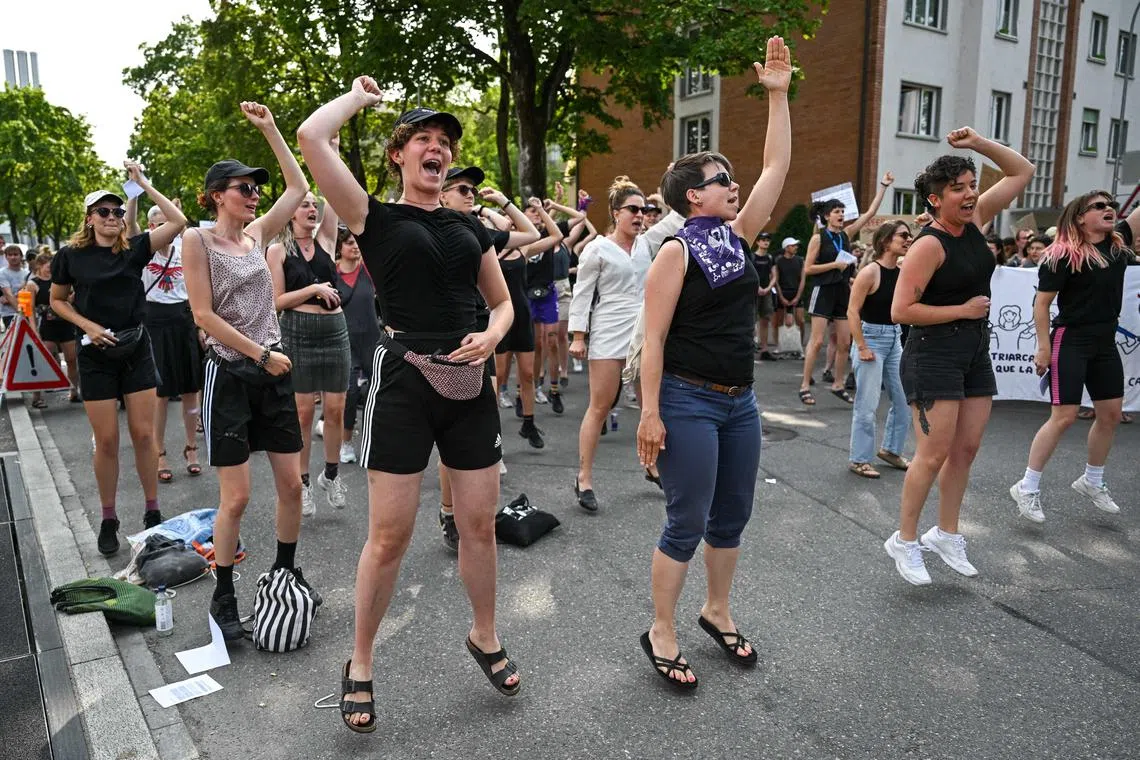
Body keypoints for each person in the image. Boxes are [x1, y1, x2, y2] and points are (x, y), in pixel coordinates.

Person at [298, 79, 520, 733]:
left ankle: (484, 633)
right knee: (390, 537)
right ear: (399, 154)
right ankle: (361, 664)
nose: (437, 149)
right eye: (423, 139)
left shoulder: (469, 225)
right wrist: (359, 100)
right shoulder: (374, 218)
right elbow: (312, 137)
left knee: (479, 526)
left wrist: (495, 333)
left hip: (470, 384)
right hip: (405, 382)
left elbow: (503, 302)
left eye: (444, 143)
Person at [635, 36, 791, 689]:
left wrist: (778, 96)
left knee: (732, 515)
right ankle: (661, 629)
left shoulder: (735, 238)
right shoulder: (675, 252)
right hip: (686, 399)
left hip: (739, 400)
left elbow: (776, 169)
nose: (734, 187)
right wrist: (648, 412)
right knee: (687, 517)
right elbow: (654, 338)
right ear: (693, 198)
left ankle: (716, 612)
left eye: (732, 179)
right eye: (721, 181)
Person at [182, 102, 316, 638]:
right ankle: (224, 591)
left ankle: (283, 572)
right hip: (232, 374)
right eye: (242, 187)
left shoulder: (258, 236)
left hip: (273, 373)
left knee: (291, 486)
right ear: (218, 195)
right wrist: (259, 353)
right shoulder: (198, 240)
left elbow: (298, 187)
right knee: (236, 496)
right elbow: (202, 315)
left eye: (254, 188)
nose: (253, 194)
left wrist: (271, 130)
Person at [884, 127, 1035, 586]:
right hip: (932, 353)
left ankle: (946, 533)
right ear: (935, 200)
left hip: (973, 350)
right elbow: (900, 310)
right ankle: (905, 540)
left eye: (972, 185)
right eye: (959, 189)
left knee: (965, 450)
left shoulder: (976, 221)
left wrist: (979, 145)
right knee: (931, 455)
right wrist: (963, 310)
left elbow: (1022, 170)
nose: (970, 195)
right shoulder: (929, 244)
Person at [50, 165, 187, 556]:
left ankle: (152, 513)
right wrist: (87, 327)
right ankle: (109, 516)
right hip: (96, 356)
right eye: (103, 212)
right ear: (89, 218)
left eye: (116, 212)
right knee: (107, 441)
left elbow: (178, 220)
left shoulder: (136, 248)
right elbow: (58, 300)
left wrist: (143, 184)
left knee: (145, 436)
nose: (112, 217)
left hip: (136, 349)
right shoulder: (70, 256)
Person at [1008, 192, 1137, 522]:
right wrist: (1043, 346)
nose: (1108, 209)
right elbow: (1041, 304)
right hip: (1071, 340)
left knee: (1109, 415)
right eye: (1099, 206)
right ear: (1080, 217)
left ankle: (1092, 481)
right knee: (1063, 416)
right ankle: (1027, 486)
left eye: (1110, 205)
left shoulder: (1118, 242)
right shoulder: (1061, 256)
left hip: (1105, 341)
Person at [568, 176, 652, 511]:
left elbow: (679, 215)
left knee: (650, 406)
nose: (640, 215)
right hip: (608, 330)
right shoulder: (597, 248)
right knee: (600, 407)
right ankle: (584, 477)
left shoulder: (648, 244)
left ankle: (652, 466)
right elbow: (582, 293)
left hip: (643, 332)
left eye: (644, 210)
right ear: (616, 213)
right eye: (633, 209)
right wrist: (578, 336)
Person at [266, 184, 351, 516]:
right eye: (304, 205)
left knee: (335, 409)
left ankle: (330, 475)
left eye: (314, 205)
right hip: (298, 332)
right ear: (290, 212)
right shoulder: (277, 251)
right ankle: (302, 483)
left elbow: (334, 189)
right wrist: (313, 288)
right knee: (302, 413)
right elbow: (276, 302)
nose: (312, 210)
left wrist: (330, 147)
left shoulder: (327, 241)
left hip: (334, 330)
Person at [798, 172, 893, 405]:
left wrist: (883, 186)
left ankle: (838, 384)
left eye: (842, 211)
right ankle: (804, 386)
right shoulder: (818, 238)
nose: (841, 215)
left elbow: (870, 213)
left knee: (844, 342)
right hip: (823, 289)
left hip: (842, 291)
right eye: (837, 212)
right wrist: (834, 264)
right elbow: (808, 269)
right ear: (827, 216)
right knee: (818, 341)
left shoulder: (847, 234)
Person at [142, 200, 204, 482]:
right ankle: (159, 452)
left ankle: (191, 447)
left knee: (191, 389)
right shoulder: (143, 250)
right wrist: (137, 188)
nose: (165, 228)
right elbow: (129, 225)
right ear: (151, 228)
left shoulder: (185, 248)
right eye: (159, 223)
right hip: (155, 322)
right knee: (161, 394)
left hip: (183, 319)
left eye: (169, 222)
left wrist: (202, 325)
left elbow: (197, 288)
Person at [846, 221, 911, 478]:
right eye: (903, 235)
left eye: (909, 235)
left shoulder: (903, 270)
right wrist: (861, 346)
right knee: (867, 404)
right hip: (870, 338)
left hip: (894, 339)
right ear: (885, 241)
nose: (908, 239)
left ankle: (890, 450)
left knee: (904, 400)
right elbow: (852, 311)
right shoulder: (870, 273)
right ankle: (859, 459)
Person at [525, 196, 585, 411]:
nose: (534, 213)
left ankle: (554, 389)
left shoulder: (550, 233)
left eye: (536, 211)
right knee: (536, 343)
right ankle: (531, 387)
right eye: (530, 211)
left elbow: (580, 217)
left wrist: (550, 207)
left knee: (551, 340)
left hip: (549, 293)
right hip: (527, 294)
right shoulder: (520, 236)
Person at [24, 253, 81, 407]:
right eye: (49, 267)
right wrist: (33, 329)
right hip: (46, 327)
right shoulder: (32, 284)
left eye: (53, 267)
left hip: (65, 325)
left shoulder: (61, 280)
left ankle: (74, 392)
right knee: (42, 361)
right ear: (39, 266)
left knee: (72, 359)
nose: (51, 270)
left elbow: (68, 301)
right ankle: (37, 396)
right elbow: (29, 310)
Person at [774, 237, 806, 350]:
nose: (796, 247)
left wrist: (797, 297)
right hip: (783, 293)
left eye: (796, 245)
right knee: (779, 321)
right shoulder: (779, 261)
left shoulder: (800, 260)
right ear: (786, 248)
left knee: (801, 320)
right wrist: (781, 296)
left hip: (796, 293)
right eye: (793, 246)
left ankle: (800, 346)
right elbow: (776, 280)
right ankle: (779, 346)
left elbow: (803, 279)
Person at [752, 232, 778, 359]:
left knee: (765, 319)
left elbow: (774, 275)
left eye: (768, 240)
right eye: (763, 240)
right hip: (753, 292)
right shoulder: (752, 257)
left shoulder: (769, 258)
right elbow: (750, 275)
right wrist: (757, 287)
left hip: (766, 292)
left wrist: (768, 288)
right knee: (751, 319)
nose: (766, 242)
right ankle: (749, 345)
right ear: (757, 242)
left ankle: (764, 349)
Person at [0, 244, 28, 329]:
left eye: (15, 254)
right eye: (10, 255)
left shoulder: (26, 273)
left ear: (21, 256)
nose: (13, 257)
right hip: (10, 315)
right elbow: (9, 295)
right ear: (6, 257)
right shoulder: (2, 273)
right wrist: (22, 313)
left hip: (28, 313)